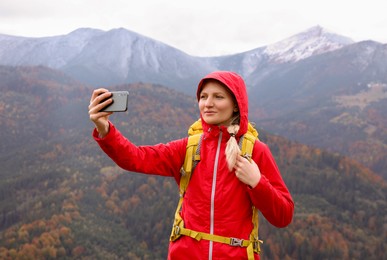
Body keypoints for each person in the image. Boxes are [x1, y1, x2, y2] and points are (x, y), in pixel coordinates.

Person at [88, 71, 294, 259]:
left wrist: (257, 182)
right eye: (203, 97)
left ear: (236, 104)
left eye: (218, 97)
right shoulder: (189, 148)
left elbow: (283, 215)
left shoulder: (256, 151)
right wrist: (104, 128)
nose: (208, 103)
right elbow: (136, 158)